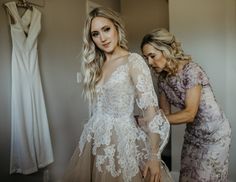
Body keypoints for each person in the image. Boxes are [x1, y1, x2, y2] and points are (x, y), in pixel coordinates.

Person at [62, 8, 173, 182]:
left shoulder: (133, 61)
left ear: (116, 27)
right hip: (95, 138)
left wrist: (154, 156)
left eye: (106, 29)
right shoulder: (97, 64)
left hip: (122, 143)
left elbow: (151, 113)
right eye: (95, 34)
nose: (103, 38)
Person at [141, 28, 231, 182]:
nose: (149, 62)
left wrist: (151, 120)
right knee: (186, 177)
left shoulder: (191, 71)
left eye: (152, 56)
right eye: (146, 58)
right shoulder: (162, 79)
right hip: (193, 135)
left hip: (215, 135)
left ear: (166, 50)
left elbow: (190, 113)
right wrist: (145, 123)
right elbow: (164, 116)